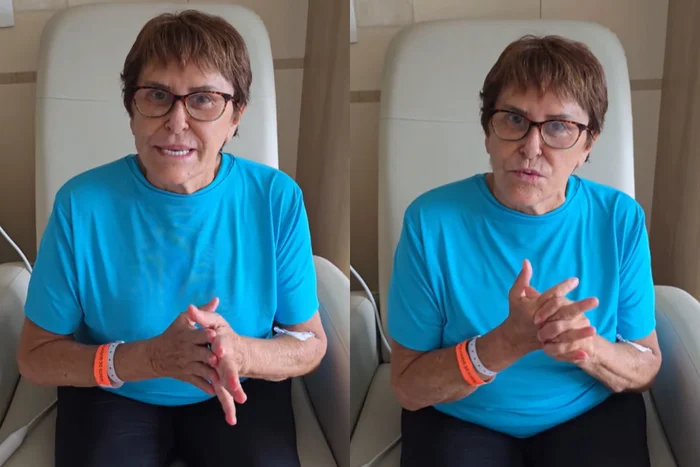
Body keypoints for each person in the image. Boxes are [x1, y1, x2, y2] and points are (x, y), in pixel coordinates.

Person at [16, 10, 327, 467]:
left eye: (203, 99)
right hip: (115, 390)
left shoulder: (275, 198)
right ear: (132, 109)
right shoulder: (81, 205)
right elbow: (36, 356)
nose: (177, 121)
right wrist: (151, 360)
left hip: (239, 383)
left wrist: (242, 352)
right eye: (157, 95)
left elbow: (310, 344)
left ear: (236, 115)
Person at [387, 35, 661, 467]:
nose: (531, 148)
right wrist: (502, 345)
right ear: (488, 132)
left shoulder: (619, 220)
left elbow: (646, 366)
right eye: (514, 119)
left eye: (559, 127)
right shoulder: (430, 221)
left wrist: (587, 346)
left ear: (588, 144)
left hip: (587, 410)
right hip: (462, 416)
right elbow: (407, 385)